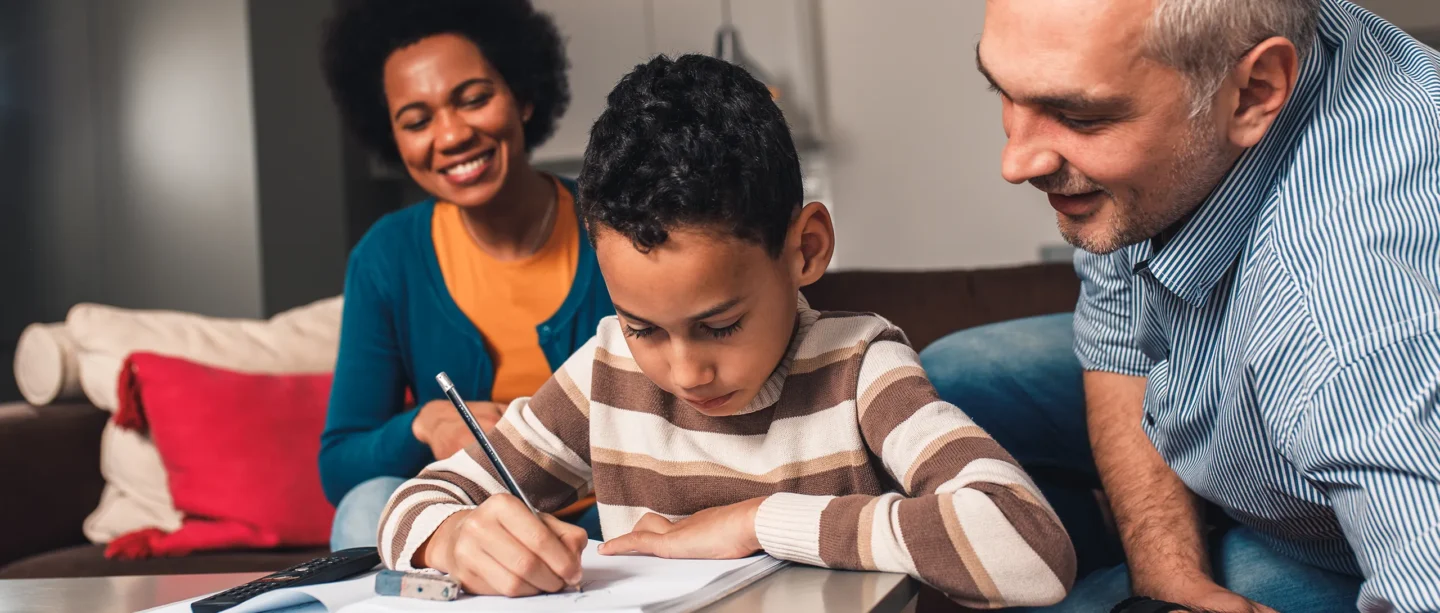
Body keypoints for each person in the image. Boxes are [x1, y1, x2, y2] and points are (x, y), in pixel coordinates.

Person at [374, 54, 1077, 607]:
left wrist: (756, 521)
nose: (685, 372)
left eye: (721, 325)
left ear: (805, 250)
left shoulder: (862, 369)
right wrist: (454, 536)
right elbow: (411, 504)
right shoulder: (603, 374)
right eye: (644, 327)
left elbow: (1030, 549)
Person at [922, 0, 1440, 611]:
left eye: (1077, 116)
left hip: (1342, 544)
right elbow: (1120, 336)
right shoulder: (1171, 140)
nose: (1016, 163)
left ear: (1253, 93)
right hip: (1263, 415)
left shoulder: (1343, 318)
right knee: (955, 380)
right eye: (1004, 92)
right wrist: (1166, 571)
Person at [317, 0, 613, 551]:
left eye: (474, 100)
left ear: (523, 96)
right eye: (417, 121)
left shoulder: (617, 223)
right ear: (392, 138)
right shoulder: (388, 256)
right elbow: (340, 464)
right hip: (472, 531)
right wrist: (424, 425)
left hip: (618, 519)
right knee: (365, 506)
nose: (451, 135)